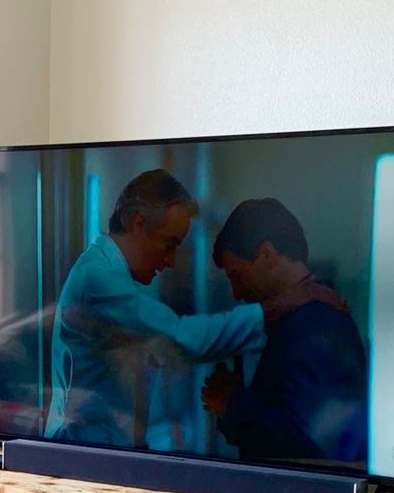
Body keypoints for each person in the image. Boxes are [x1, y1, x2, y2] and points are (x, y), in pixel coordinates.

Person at [45, 171, 333, 448]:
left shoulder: (103, 270)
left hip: (98, 447)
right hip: (84, 452)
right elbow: (179, 336)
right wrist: (275, 308)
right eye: (169, 244)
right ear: (139, 224)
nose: (171, 261)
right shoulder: (99, 278)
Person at [201, 198, 367, 466]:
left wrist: (232, 404)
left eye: (237, 276)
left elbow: (310, 440)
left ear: (267, 255)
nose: (236, 293)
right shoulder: (304, 317)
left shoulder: (314, 323)